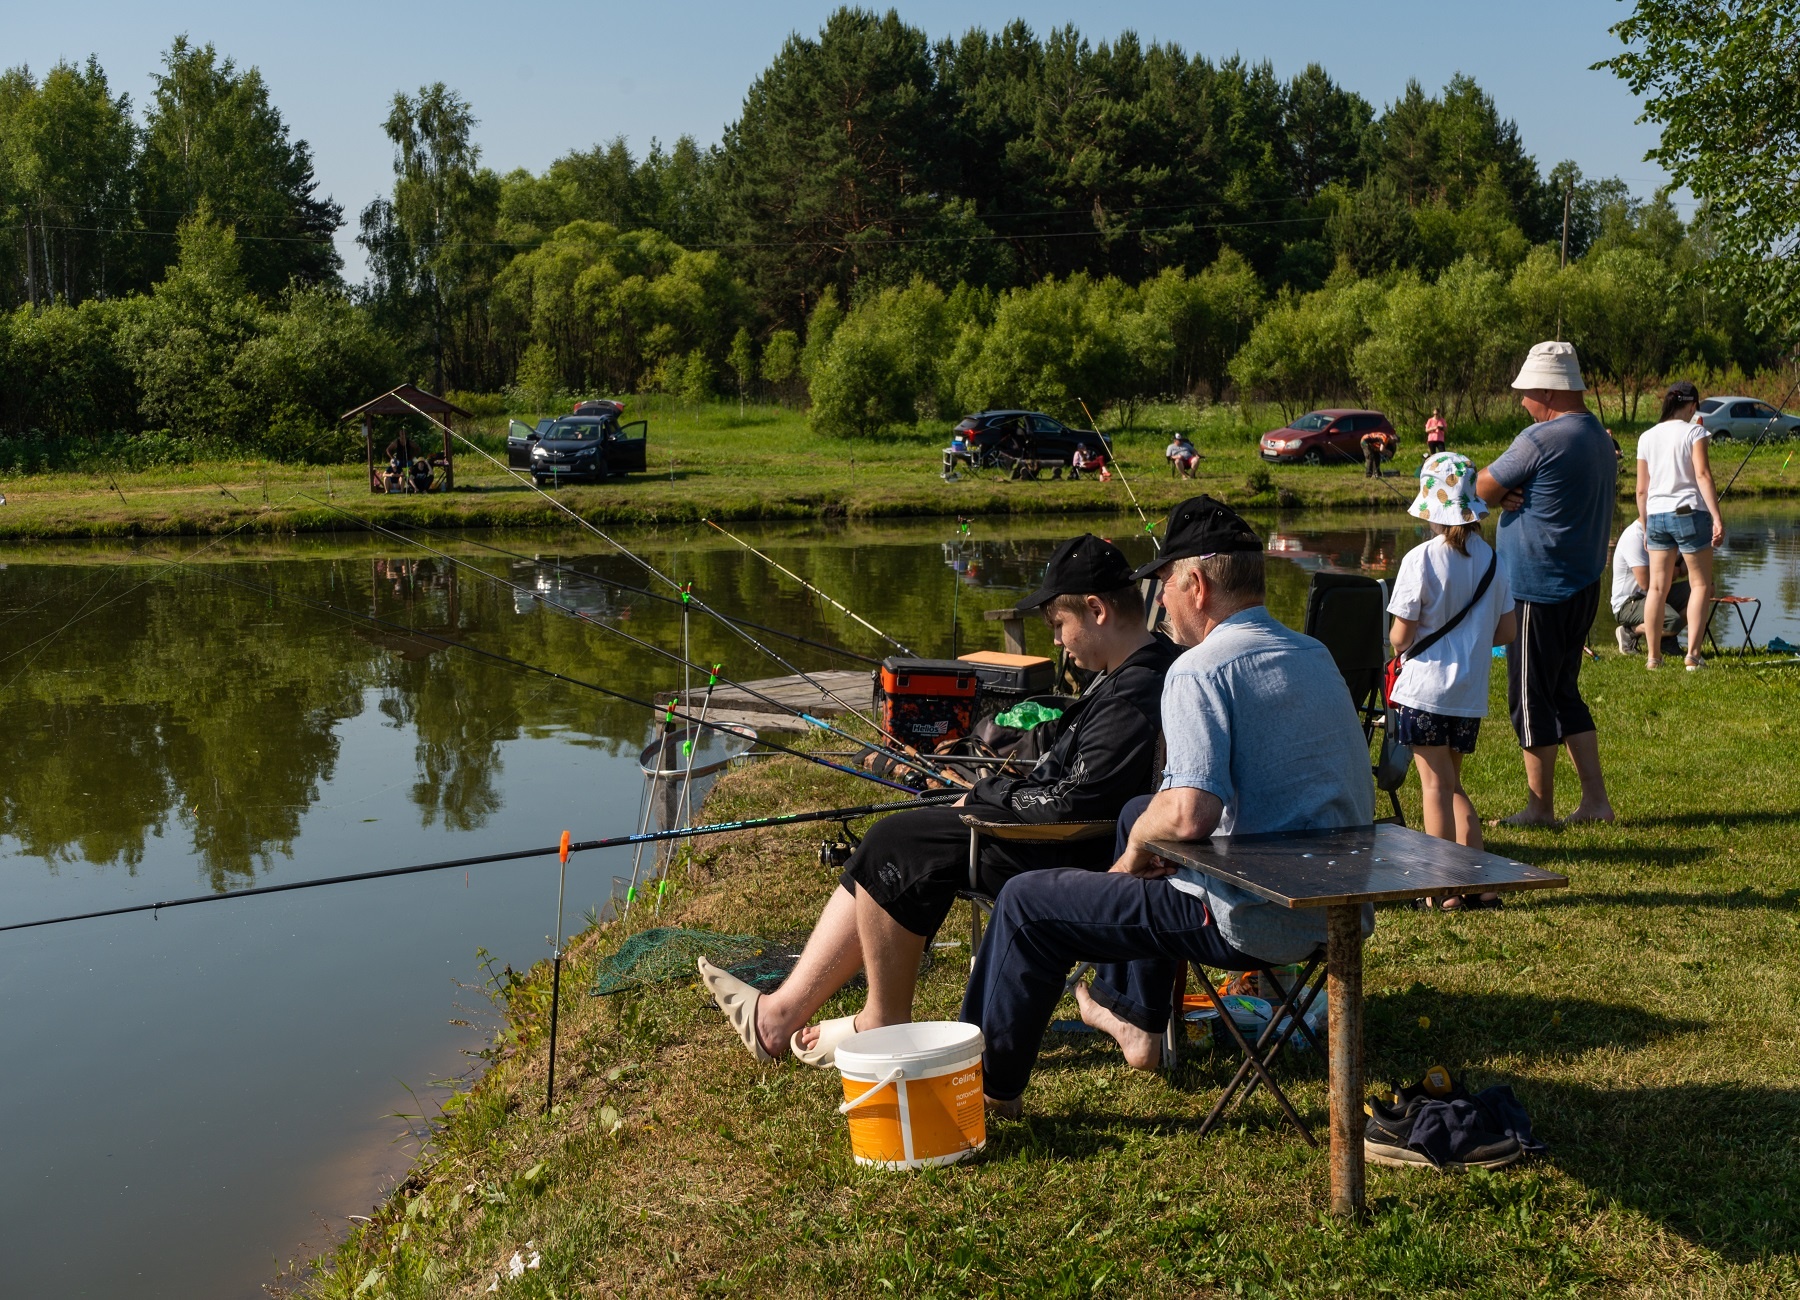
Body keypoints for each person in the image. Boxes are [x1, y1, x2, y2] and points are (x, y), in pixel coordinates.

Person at [699, 534, 1180, 1067]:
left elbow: (1076, 804)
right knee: (904, 837)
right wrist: (994, 788)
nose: (1059, 642)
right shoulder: (1134, 673)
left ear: (1095, 610)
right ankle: (780, 1014)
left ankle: (875, 1021)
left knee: (897, 843)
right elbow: (1080, 780)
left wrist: (986, 795)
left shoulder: (1135, 694)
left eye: (1059, 626)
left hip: (1073, 851)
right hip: (1059, 833)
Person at [960, 497, 1376, 1113]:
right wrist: (1140, 833)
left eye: (1163, 585)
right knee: (1136, 810)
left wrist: (1130, 857)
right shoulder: (1313, 652)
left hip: (1253, 919)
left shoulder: (1197, 669)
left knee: (1027, 904)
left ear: (1197, 585)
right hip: (1337, 910)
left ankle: (985, 1093)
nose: (1160, 603)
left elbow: (1190, 814)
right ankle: (1135, 1016)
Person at [1475, 340, 1617, 826]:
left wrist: (1506, 490)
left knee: (1530, 699)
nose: (1521, 401)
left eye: (1525, 391)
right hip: (1582, 584)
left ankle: (1540, 808)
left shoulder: (1540, 438)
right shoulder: (1597, 434)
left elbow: (1482, 488)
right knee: (1563, 692)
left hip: (1539, 588)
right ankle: (1597, 803)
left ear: (1547, 390)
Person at [1387, 454, 1518, 908]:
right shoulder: (1492, 560)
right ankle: (1473, 884)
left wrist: (1397, 639)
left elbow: (1400, 636)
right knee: (1452, 784)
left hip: (1424, 690)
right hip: (1467, 694)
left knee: (1436, 789)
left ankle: (1439, 888)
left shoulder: (1420, 558)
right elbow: (1507, 632)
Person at [1636, 380, 1724, 671]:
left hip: (1657, 514)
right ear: (1691, 405)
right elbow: (1702, 475)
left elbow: (1641, 490)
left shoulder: (1646, 436)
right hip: (1688, 512)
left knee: (1657, 589)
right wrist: (1716, 517)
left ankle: (1653, 657)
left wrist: (1646, 525)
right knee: (1700, 584)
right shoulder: (1695, 431)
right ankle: (1693, 656)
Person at [1610, 517, 1688, 655]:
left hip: (1657, 593)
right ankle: (1630, 632)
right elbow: (1645, 583)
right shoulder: (1634, 536)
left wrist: (1697, 544)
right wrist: (1671, 572)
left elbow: (1682, 570)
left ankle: (1665, 639)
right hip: (1629, 603)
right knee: (1673, 621)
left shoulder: (1665, 533)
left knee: (1705, 590)